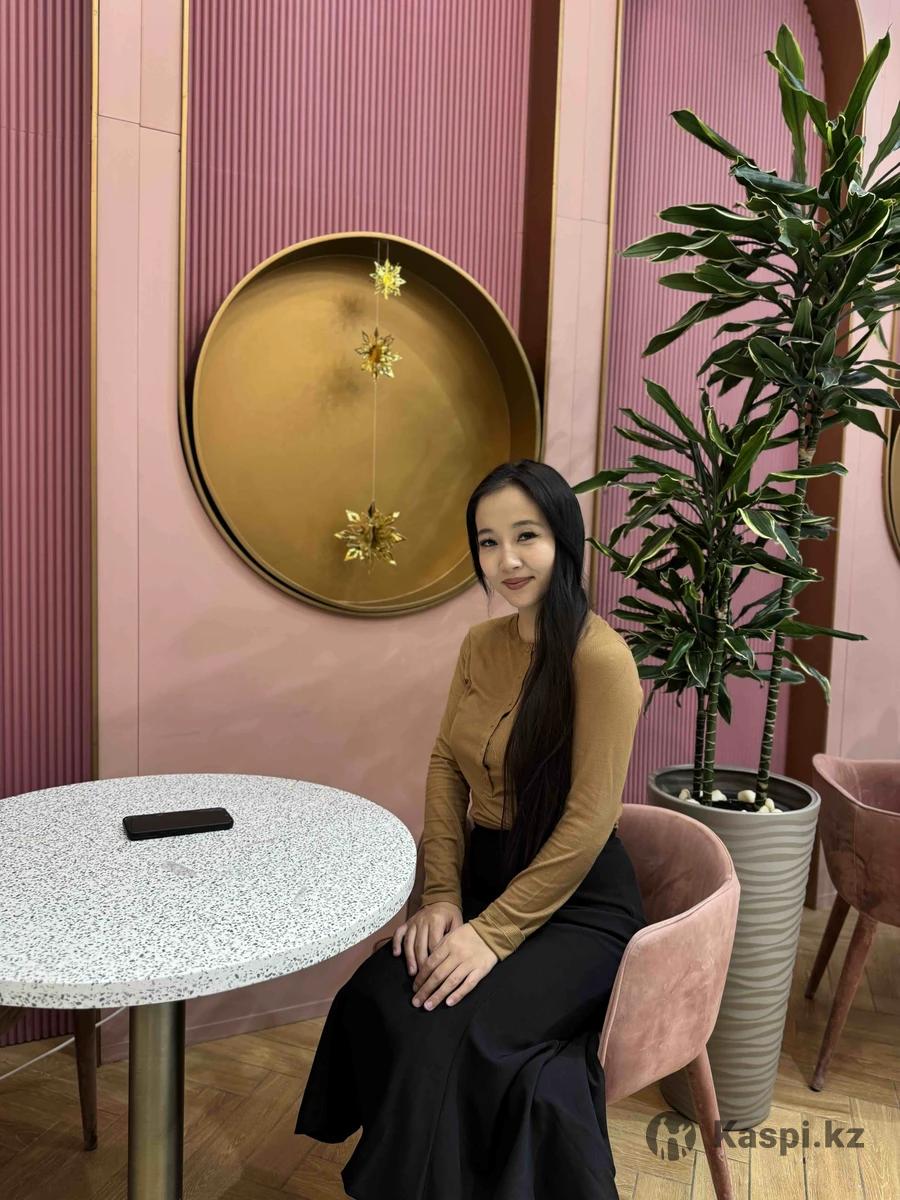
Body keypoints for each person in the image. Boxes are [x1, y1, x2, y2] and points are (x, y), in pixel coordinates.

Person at [295, 459, 647, 1199]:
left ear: (565, 538)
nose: (507, 560)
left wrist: (493, 935)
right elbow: (445, 765)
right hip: (483, 880)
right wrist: (442, 896)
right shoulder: (481, 645)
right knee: (377, 994)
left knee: (445, 1028)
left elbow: (589, 822)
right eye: (489, 542)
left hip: (577, 902)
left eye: (526, 536)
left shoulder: (601, 660)